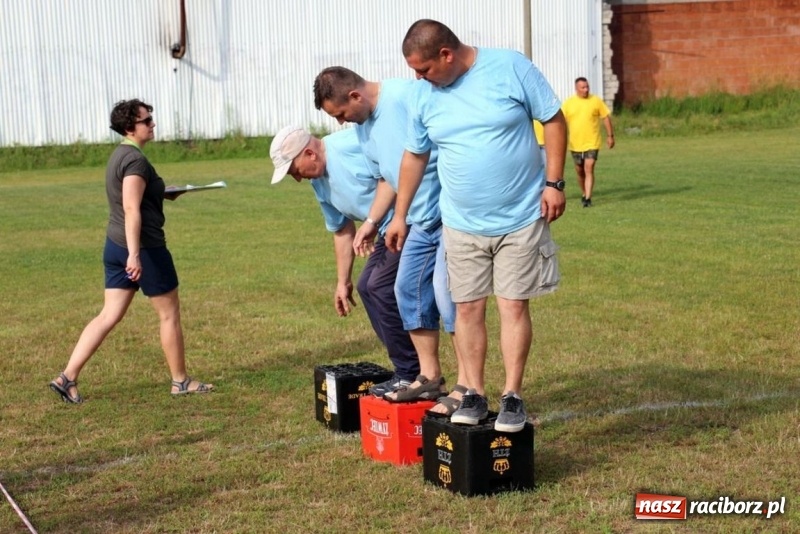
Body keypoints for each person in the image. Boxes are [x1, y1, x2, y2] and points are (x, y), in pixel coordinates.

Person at [386, 19, 567, 432]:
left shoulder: (510, 68)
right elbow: (414, 156)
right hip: (461, 224)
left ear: (446, 55)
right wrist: (400, 215)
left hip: (521, 217)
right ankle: (474, 393)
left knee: (513, 305)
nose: (417, 78)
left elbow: (553, 120)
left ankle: (513, 396)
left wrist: (554, 183)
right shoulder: (422, 96)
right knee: (466, 308)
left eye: (424, 69)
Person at [313, 67, 466, 413]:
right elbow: (387, 178)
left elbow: (437, 144)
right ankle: (427, 378)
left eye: (340, 114)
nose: (341, 123)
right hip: (414, 218)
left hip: (447, 212)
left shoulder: (403, 96)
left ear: (355, 96)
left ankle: (468, 386)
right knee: (404, 292)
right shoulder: (363, 127)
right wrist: (372, 221)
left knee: (448, 296)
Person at [49, 99, 213, 403]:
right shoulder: (135, 160)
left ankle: (66, 377)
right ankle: (180, 382)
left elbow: (134, 195)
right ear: (129, 127)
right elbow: (130, 206)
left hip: (115, 245)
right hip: (143, 249)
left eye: (151, 118)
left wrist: (164, 192)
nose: (152, 124)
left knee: (108, 315)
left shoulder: (120, 155)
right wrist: (135, 255)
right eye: (146, 120)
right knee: (169, 315)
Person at [269, 125, 420, 398]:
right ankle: (409, 369)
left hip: (412, 218)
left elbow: (396, 172)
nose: (297, 179)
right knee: (366, 287)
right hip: (385, 231)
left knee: (379, 286)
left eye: (294, 171)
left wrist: (373, 221)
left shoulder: (353, 144)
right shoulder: (319, 182)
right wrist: (342, 282)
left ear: (309, 153)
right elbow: (341, 229)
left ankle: (412, 373)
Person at [561, 76, 615, 207]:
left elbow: (605, 118)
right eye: (583, 87)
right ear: (576, 88)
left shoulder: (595, 101)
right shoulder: (569, 103)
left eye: (587, 87)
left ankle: (588, 199)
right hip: (575, 143)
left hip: (592, 142)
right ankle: (584, 192)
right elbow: (560, 123)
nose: (586, 90)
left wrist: (610, 136)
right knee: (580, 171)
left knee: (588, 168)